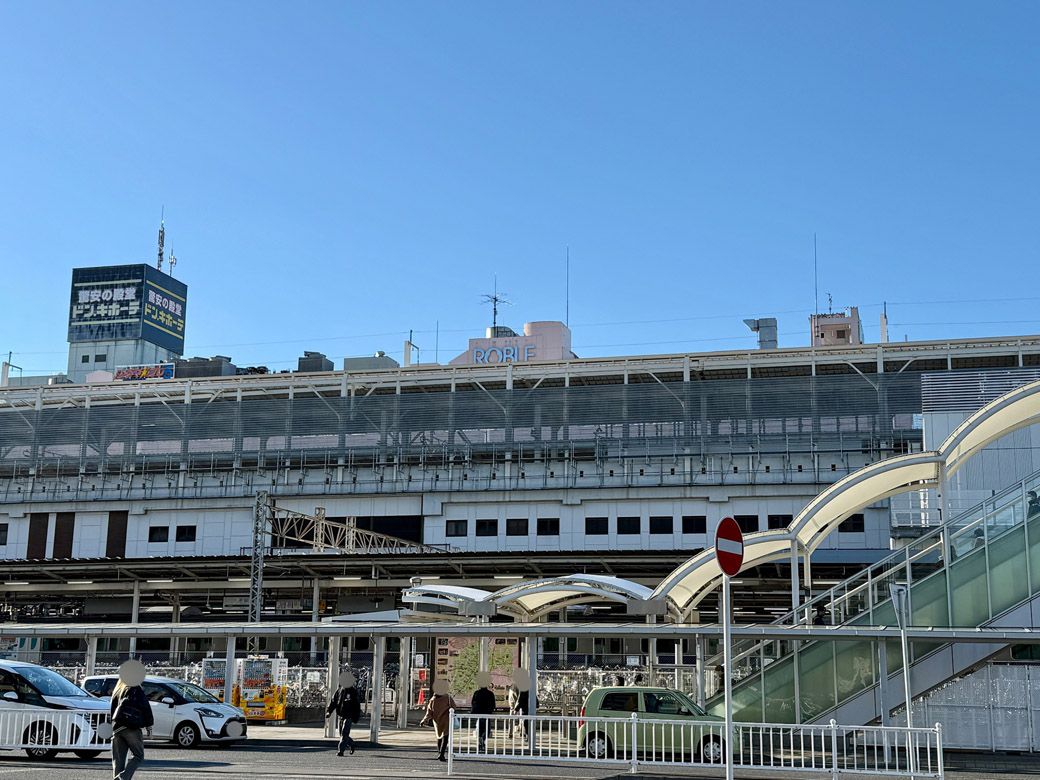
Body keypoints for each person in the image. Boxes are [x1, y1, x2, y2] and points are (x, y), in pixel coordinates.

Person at [110, 659, 153, 780]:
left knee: (118, 761)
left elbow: (113, 710)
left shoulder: (118, 689)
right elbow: (145, 707)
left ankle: (118, 777)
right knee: (139, 756)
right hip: (131, 727)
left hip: (117, 728)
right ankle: (122, 777)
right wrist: (149, 726)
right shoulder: (135, 688)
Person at [326, 671, 362, 756]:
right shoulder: (339, 691)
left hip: (349, 716)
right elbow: (333, 702)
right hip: (340, 715)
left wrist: (356, 716)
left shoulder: (353, 692)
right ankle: (352, 744)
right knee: (342, 734)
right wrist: (329, 711)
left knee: (344, 733)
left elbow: (357, 705)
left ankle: (340, 751)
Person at [420, 679, 456, 762]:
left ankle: (439, 752)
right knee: (445, 737)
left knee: (439, 737)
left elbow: (429, 712)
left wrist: (424, 720)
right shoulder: (448, 697)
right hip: (446, 720)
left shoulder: (433, 699)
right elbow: (454, 707)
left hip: (437, 721)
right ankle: (442, 754)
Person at [470, 671, 496, 752]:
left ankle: (480, 741)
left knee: (479, 729)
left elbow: (473, 703)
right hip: (487, 714)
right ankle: (483, 740)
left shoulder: (477, 693)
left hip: (478, 714)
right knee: (487, 730)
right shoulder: (490, 694)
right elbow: (493, 705)